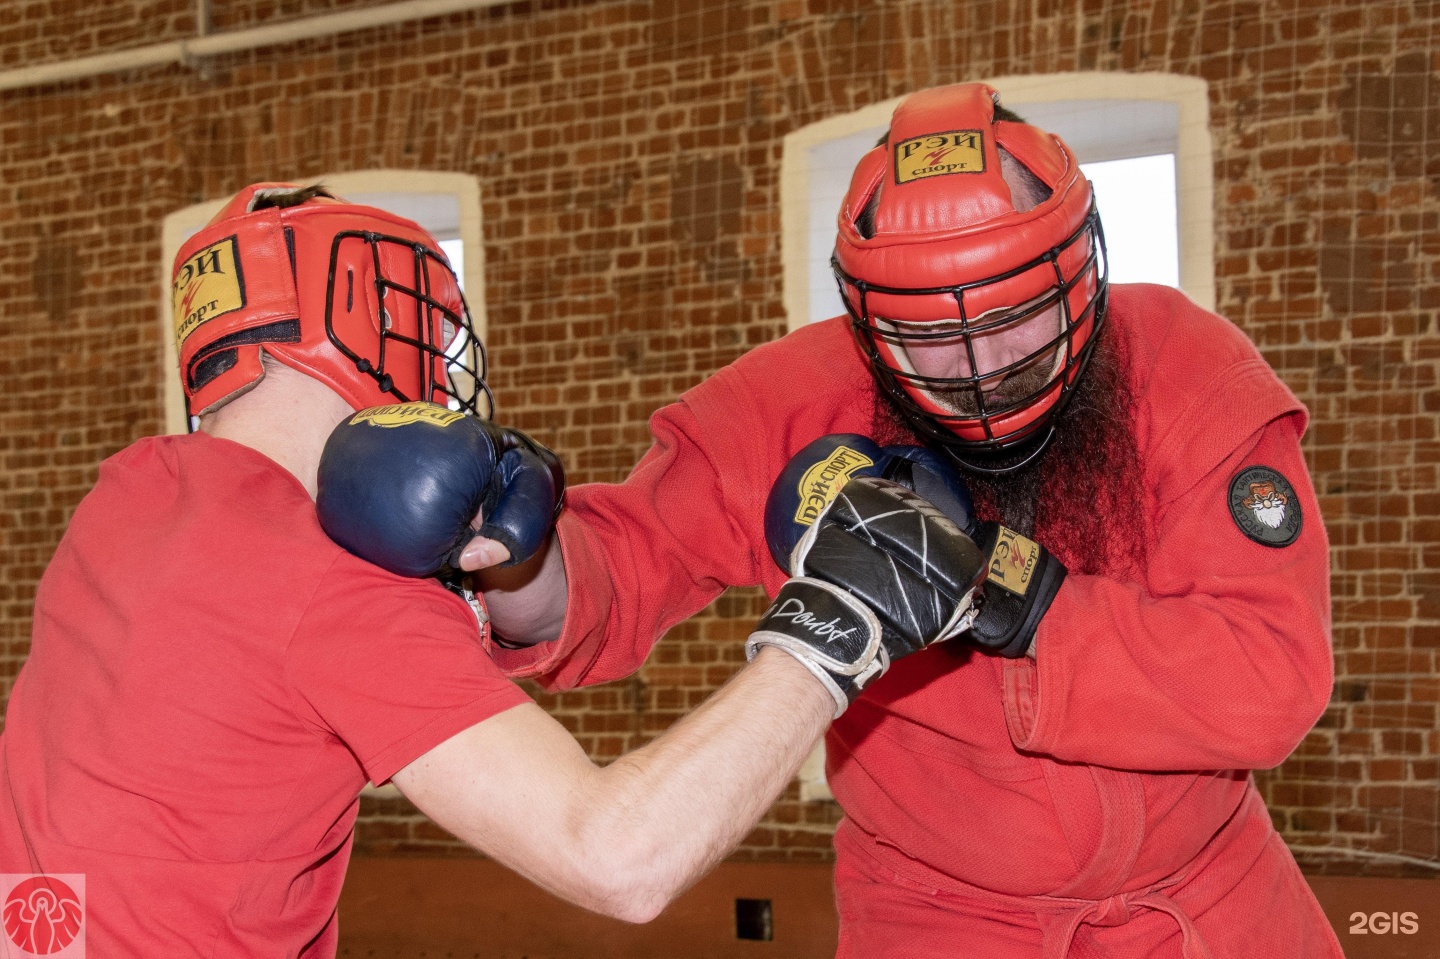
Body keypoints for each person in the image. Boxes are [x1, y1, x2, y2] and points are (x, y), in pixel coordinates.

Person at [456, 83, 1343, 957]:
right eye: (927, 334)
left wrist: (1029, 606)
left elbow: (1270, 679)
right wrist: (512, 555)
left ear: (1079, 265)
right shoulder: (789, 402)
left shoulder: (1183, 367)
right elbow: (615, 568)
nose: (980, 367)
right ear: (866, 315)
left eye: (1017, 315)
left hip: (1210, 901)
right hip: (937, 916)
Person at [0, 183, 989, 955]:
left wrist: (478, 582)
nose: (440, 367)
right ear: (356, 322)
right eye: (427, 333)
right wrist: (830, 630)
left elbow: (256, 682)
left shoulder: (126, 497)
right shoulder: (332, 587)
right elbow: (619, 859)